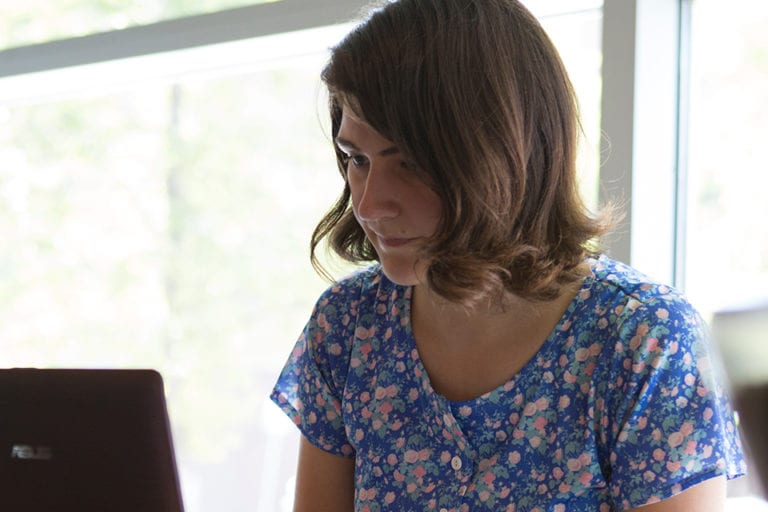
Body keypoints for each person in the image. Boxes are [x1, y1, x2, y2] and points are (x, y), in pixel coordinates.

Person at [270, 0, 747, 510]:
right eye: (356, 159)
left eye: (407, 161)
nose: (368, 203)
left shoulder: (647, 343)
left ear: (502, 152)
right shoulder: (347, 328)